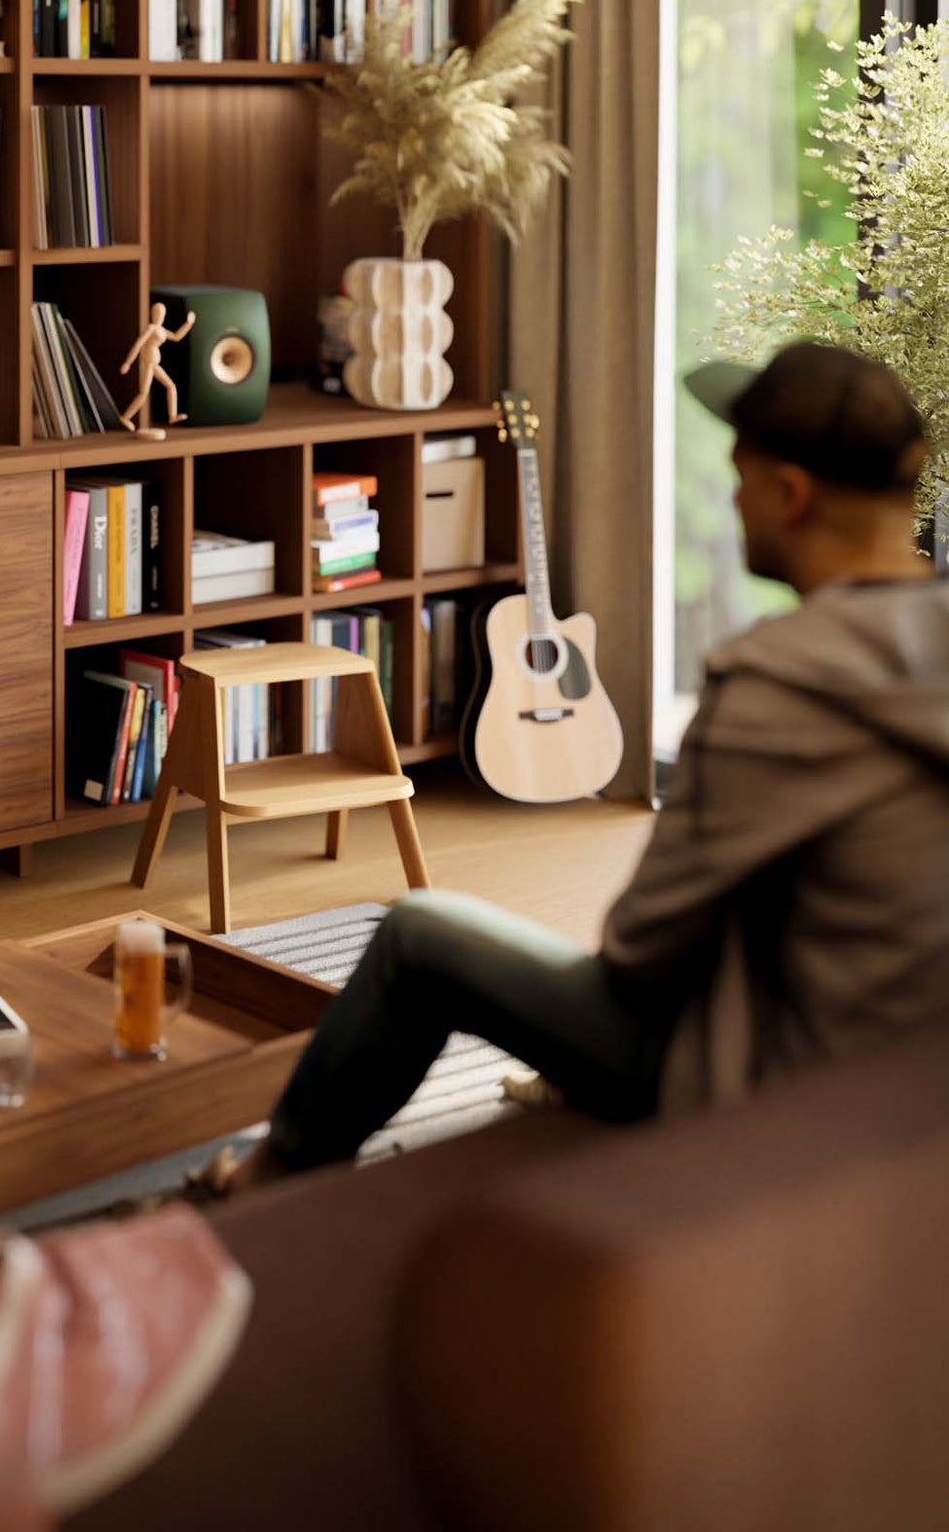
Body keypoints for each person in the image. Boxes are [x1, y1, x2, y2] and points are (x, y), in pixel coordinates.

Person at [217, 340, 949, 1186]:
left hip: (784, 1087)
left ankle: (266, 1181)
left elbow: (640, 958)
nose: (732, 497)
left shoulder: (780, 683)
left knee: (418, 936)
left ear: (790, 495)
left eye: (740, 475)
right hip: (911, 1069)